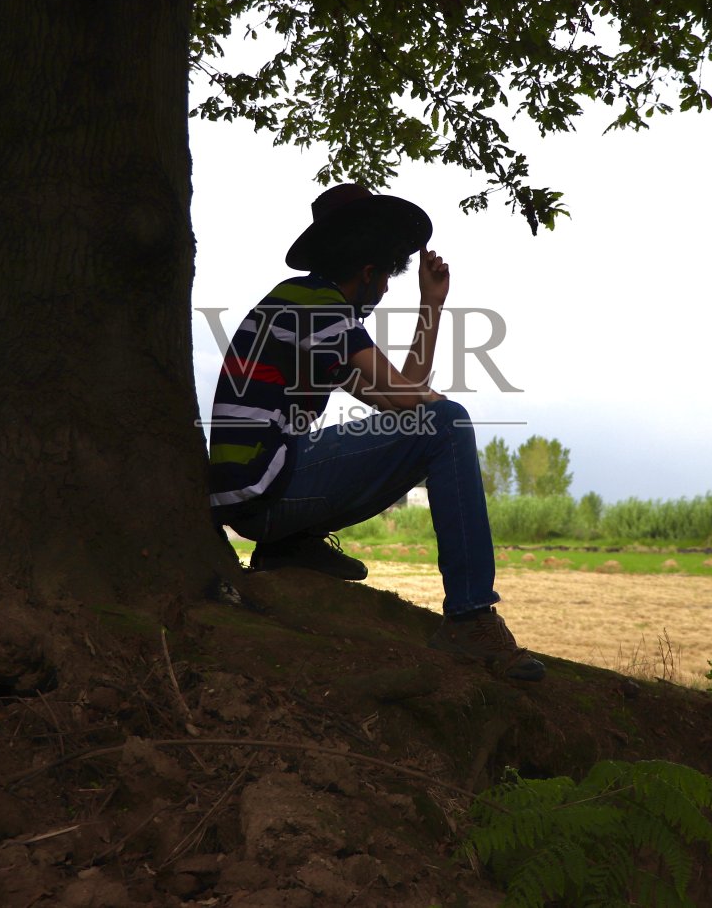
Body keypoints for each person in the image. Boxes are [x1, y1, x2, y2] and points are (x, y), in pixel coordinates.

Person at [207, 183, 544, 682]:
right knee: (450, 423)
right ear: (368, 272)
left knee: (436, 421)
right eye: (387, 275)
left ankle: (289, 548)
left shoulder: (308, 310)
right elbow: (414, 401)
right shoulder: (315, 305)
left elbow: (396, 401)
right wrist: (431, 404)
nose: (386, 289)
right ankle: (471, 617)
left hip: (256, 492)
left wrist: (431, 303)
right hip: (263, 488)